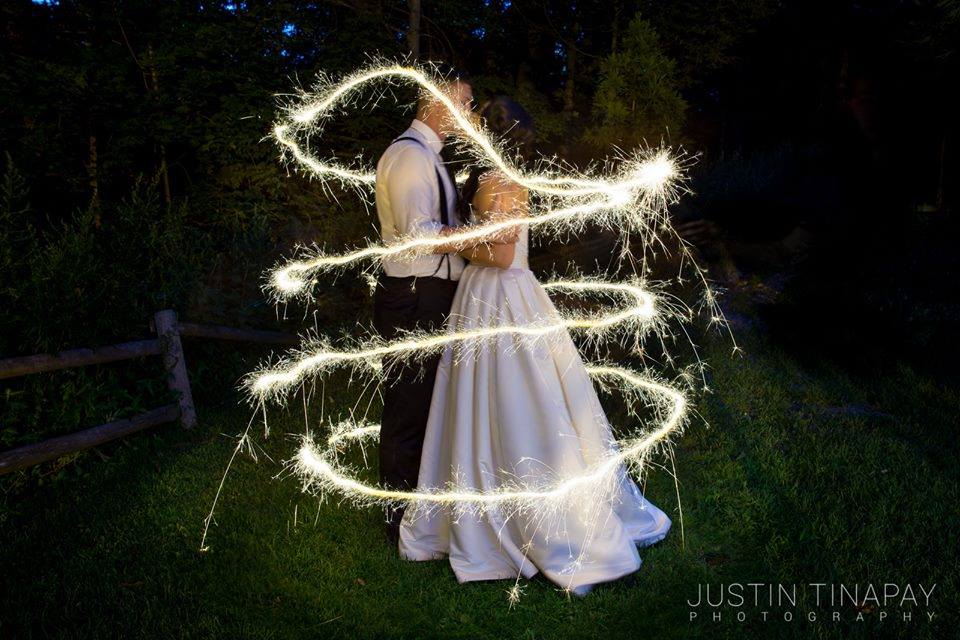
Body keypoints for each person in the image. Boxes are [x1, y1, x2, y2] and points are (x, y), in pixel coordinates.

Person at [398, 96, 672, 595]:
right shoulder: (490, 181)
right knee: (487, 398)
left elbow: (501, 257)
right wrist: (462, 235)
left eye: (481, 122)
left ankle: (541, 518)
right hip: (484, 296)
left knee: (518, 401)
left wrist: (450, 238)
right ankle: (487, 498)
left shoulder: (503, 184)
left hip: (498, 294)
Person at [373, 65, 502, 544]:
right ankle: (397, 520)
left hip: (432, 293)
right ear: (436, 103)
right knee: (408, 405)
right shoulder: (408, 157)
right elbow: (416, 234)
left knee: (428, 402)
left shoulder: (430, 156)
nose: (469, 113)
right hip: (413, 296)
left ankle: (421, 513)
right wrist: (477, 237)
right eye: (464, 103)